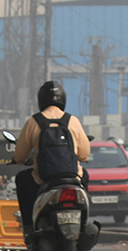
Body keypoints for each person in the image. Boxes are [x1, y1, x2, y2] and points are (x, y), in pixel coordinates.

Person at [12, 80, 92, 238]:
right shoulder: (73, 121)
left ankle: (29, 227)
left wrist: (20, 159)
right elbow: (84, 155)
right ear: (63, 99)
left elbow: (20, 156)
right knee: (86, 175)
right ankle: (83, 222)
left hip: (44, 180)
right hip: (72, 178)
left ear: (41, 100)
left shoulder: (33, 122)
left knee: (22, 178)